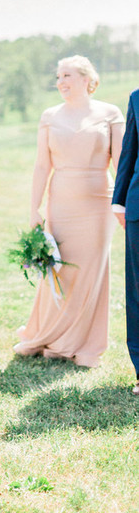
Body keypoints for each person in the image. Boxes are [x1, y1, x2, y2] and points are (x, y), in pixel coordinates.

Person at [14, 55, 124, 368]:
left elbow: (121, 163)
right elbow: (41, 165)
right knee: (60, 269)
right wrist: (34, 208)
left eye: (68, 76)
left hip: (98, 204)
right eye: (59, 76)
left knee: (91, 273)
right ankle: (49, 334)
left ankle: (85, 344)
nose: (61, 82)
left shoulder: (110, 113)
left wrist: (123, 202)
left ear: (88, 80)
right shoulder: (50, 115)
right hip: (61, 202)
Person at [112, 88, 139, 395]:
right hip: (137, 207)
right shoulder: (137, 99)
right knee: (137, 291)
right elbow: (129, 153)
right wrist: (119, 202)